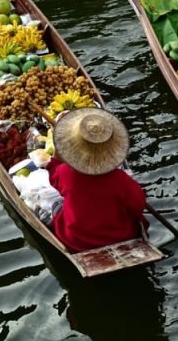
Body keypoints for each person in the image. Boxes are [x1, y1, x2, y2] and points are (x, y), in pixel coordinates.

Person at [45, 107, 149, 253]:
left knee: (57, 205)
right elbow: (138, 205)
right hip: (122, 237)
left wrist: (59, 142)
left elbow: (53, 168)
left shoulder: (66, 172)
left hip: (77, 242)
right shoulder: (121, 179)